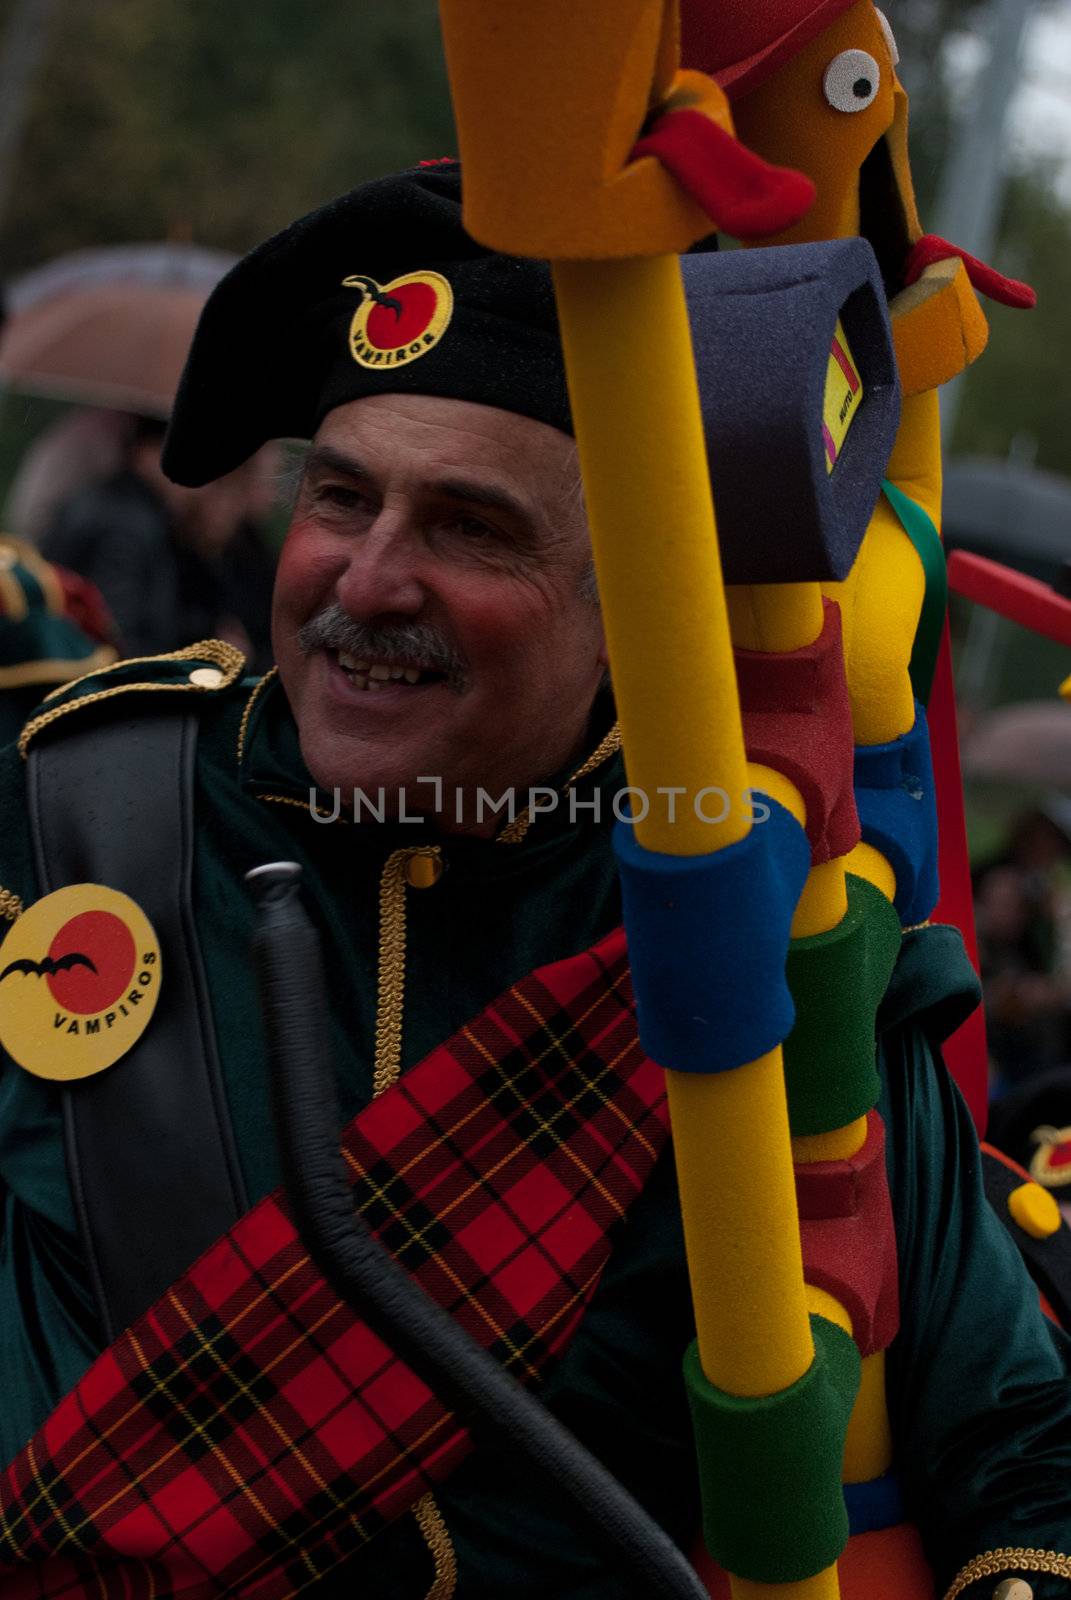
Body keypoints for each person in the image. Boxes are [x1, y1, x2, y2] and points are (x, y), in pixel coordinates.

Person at [0, 164, 1069, 1599]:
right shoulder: (71, 813)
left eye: (470, 526)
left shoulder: (762, 910)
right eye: (339, 496)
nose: (365, 580)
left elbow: (1022, 1447)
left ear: (641, 611)